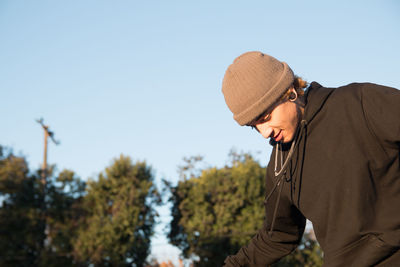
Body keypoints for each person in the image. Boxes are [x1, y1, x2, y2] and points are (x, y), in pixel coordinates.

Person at [221, 51, 400, 266]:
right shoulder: (280, 166)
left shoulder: (357, 103)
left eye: (265, 117)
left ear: (288, 92)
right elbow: (277, 236)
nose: (264, 132)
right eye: (253, 126)